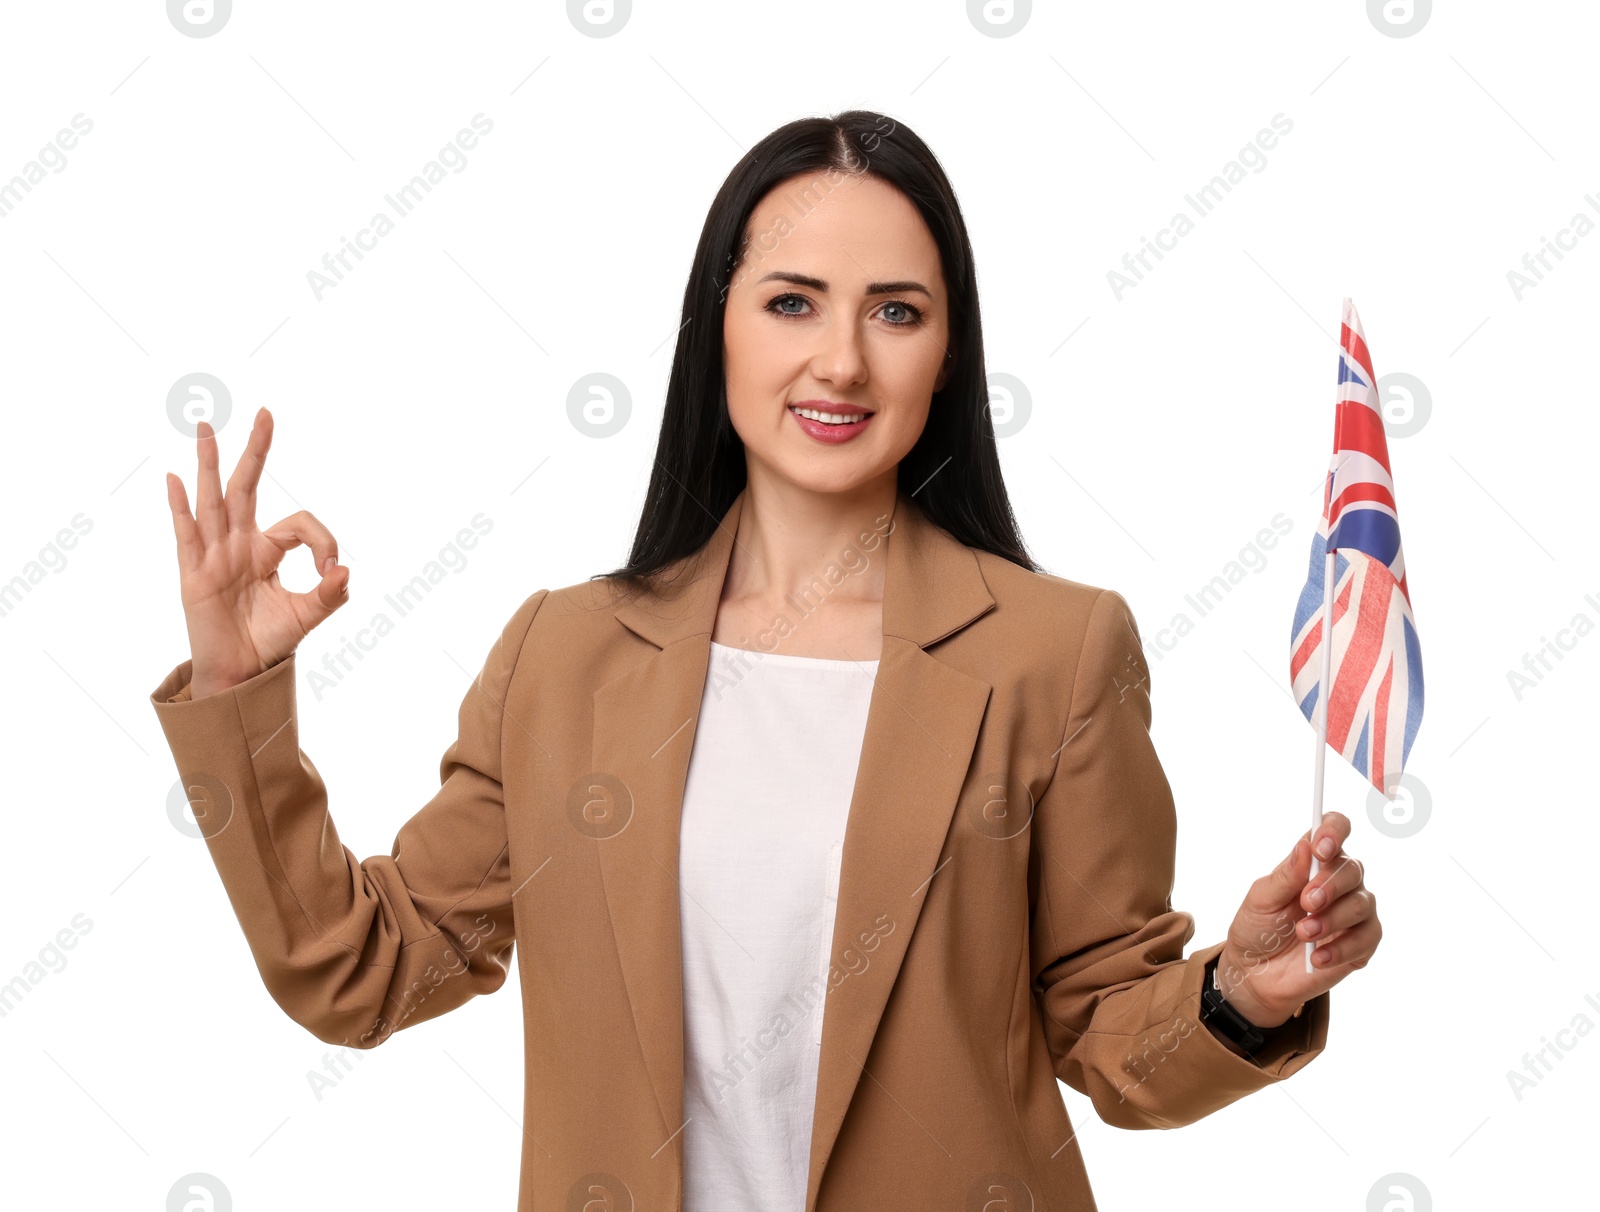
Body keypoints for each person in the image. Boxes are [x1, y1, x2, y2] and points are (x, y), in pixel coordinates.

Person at [152, 109, 1381, 1212]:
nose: (840, 361)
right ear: (718, 330)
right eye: (791, 301)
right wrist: (233, 694)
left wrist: (1242, 997)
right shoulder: (563, 656)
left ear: (947, 353)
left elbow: (1108, 1031)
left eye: (895, 311)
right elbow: (365, 971)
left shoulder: (1052, 656)